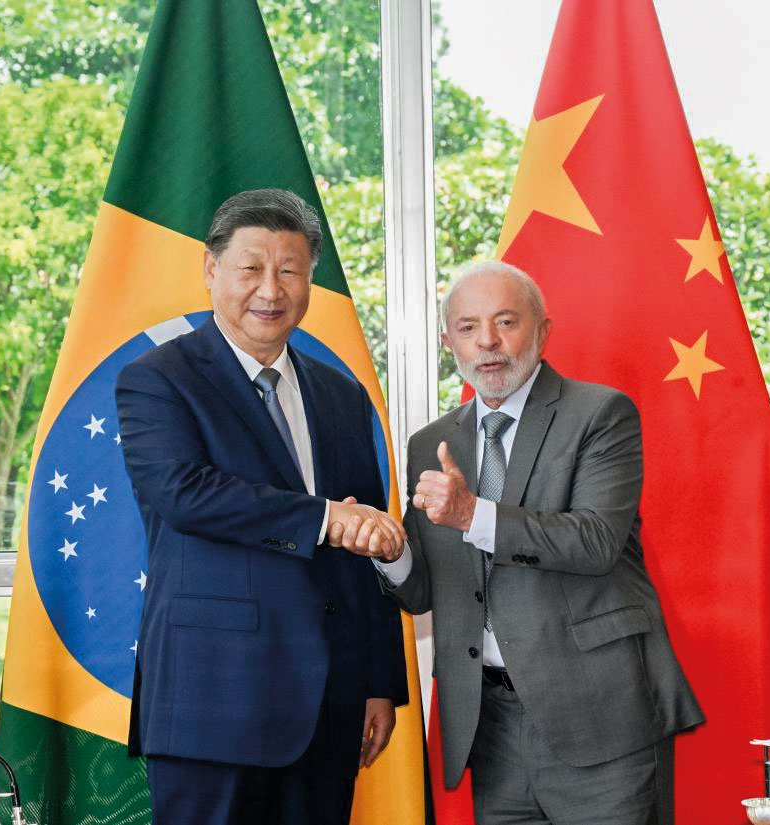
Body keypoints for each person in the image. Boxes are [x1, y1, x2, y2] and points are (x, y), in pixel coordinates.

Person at [115, 188, 409, 825]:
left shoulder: (342, 394)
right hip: (212, 702)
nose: (270, 290)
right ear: (212, 269)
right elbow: (184, 493)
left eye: (290, 271)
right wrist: (324, 518)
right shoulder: (158, 379)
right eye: (250, 268)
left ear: (310, 283)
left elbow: (368, 546)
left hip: (329, 706)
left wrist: (379, 680)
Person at [375, 261, 703, 825]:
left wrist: (472, 513)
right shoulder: (431, 443)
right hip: (490, 725)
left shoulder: (600, 414)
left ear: (543, 331)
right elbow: (427, 589)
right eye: (469, 326)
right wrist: (391, 552)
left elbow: (596, 541)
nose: (489, 343)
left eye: (506, 322)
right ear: (447, 339)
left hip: (600, 718)